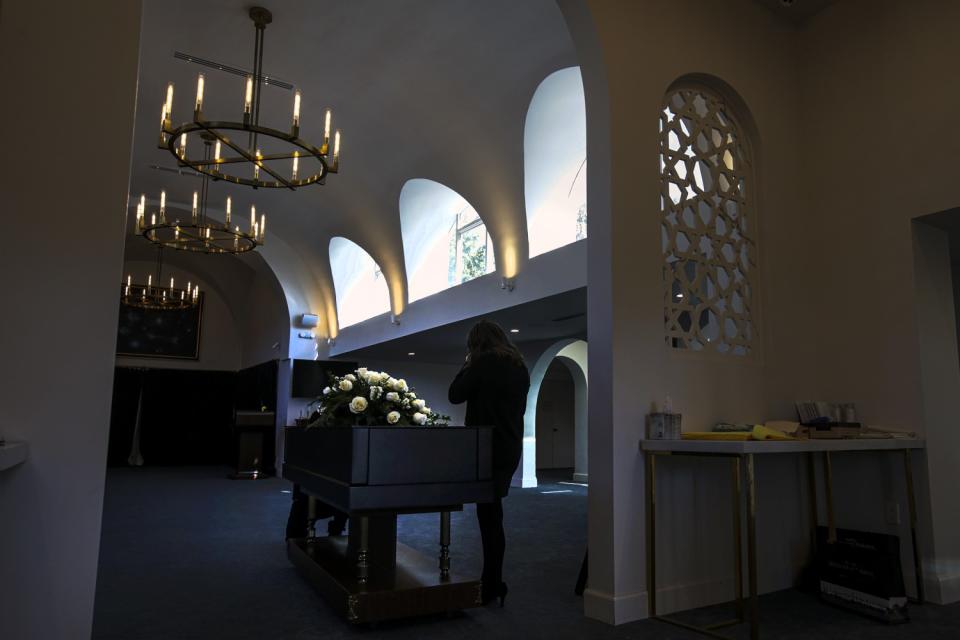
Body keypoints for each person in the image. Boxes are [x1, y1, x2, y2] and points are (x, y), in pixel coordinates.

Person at [448, 320, 530, 607]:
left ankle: (492, 583)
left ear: (475, 343)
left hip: (485, 449)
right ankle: (493, 581)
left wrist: (468, 363)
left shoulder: (481, 364)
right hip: (509, 447)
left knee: (490, 517)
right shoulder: (519, 366)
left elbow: (454, 394)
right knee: (493, 514)